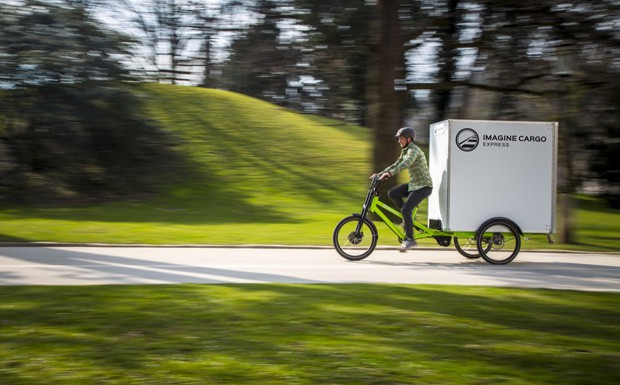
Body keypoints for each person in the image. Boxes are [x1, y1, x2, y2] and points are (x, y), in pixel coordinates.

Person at [370, 127, 433, 252]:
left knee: (405, 209)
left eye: (401, 138)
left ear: (409, 139)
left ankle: (410, 239)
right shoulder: (405, 150)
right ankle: (408, 218)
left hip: (424, 186)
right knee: (392, 193)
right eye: (399, 138)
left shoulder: (413, 151)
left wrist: (391, 174)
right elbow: (396, 164)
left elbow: (406, 163)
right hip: (414, 185)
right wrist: (379, 174)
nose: (399, 141)